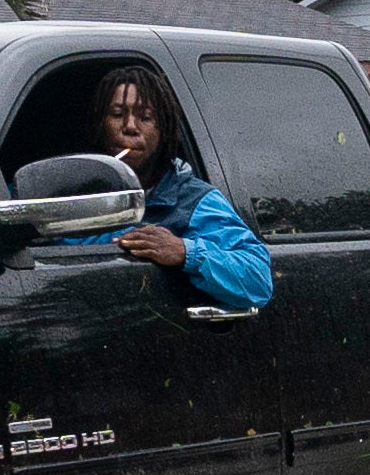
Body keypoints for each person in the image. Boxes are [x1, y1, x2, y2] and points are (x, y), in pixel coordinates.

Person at [90, 68, 271, 307]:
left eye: (145, 117)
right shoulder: (75, 195)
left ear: (163, 130)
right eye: (117, 114)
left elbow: (258, 279)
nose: (130, 126)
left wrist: (186, 252)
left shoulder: (195, 201)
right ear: (100, 124)